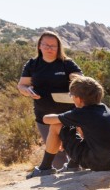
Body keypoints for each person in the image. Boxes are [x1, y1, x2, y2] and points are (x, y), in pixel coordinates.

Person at [26, 75, 110, 178]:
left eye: (72, 96)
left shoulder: (82, 113)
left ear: (78, 99)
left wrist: (62, 133)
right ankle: (72, 165)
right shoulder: (103, 108)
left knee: (56, 125)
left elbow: (46, 119)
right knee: (78, 127)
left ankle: (44, 168)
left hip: (100, 163)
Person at [18, 31, 83, 168]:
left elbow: (80, 78)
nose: (49, 48)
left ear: (59, 47)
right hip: (44, 115)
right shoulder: (32, 64)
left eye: (53, 46)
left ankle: (75, 172)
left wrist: (74, 78)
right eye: (46, 45)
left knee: (72, 146)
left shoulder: (67, 63)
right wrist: (27, 91)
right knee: (54, 150)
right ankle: (59, 177)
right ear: (39, 46)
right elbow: (22, 85)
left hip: (68, 115)